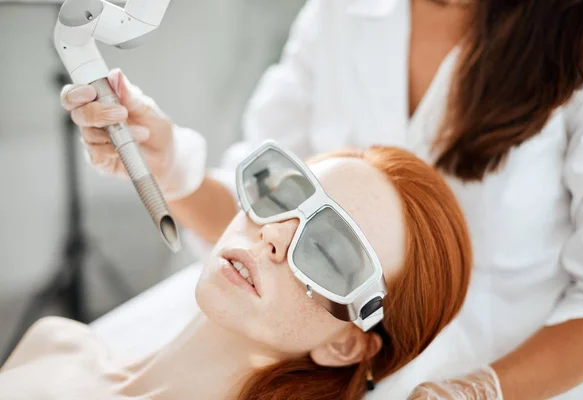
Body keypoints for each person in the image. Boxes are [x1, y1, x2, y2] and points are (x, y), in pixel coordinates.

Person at [59, 0, 583, 398]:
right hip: (281, 341)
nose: (276, 235)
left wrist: (481, 390)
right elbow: (261, 217)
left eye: (333, 256)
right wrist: (170, 165)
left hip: (517, 370)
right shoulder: (339, 13)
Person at [0, 144, 473, 400]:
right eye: (286, 197)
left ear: (345, 344)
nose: (273, 235)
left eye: (329, 253)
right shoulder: (55, 344)